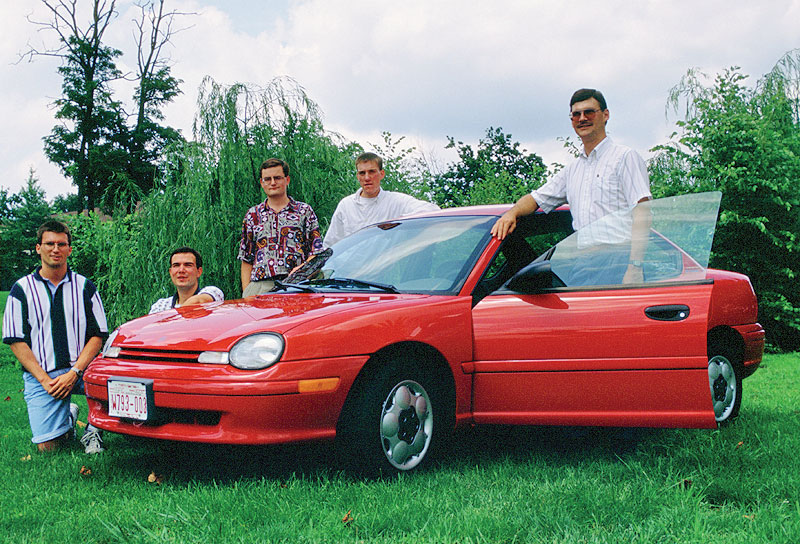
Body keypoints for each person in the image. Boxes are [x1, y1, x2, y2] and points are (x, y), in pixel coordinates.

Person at [491, 88, 652, 284]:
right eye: (576, 114)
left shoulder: (624, 157)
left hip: (618, 259)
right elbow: (535, 199)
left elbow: (642, 212)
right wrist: (512, 213)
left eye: (589, 112)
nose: (582, 118)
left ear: (606, 115)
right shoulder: (572, 170)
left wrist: (635, 266)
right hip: (584, 263)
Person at [2, 220, 108, 453]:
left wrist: (74, 373)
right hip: (44, 375)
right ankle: (69, 417)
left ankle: (93, 427)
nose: (55, 249)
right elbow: (15, 340)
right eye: (49, 243)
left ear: (69, 249)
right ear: (38, 247)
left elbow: (98, 335)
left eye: (62, 244)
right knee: (49, 448)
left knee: (116, 388)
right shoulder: (21, 290)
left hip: (83, 371)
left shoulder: (85, 287)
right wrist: (43, 379)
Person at [238, 158, 325, 296]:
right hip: (261, 286)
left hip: (297, 285)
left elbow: (316, 252)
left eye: (277, 178)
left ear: (287, 180)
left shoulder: (304, 211)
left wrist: (301, 271)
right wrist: (247, 291)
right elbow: (246, 257)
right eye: (267, 179)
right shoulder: (253, 215)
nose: (272, 183)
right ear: (262, 183)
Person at [323, 152, 440, 246]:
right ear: (358, 176)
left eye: (372, 172)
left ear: (382, 174)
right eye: (362, 173)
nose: (367, 178)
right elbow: (331, 244)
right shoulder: (346, 205)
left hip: (382, 271)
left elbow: (432, 210)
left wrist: (399, 222)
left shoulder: (395, 201)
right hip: (347, 272)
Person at [149, 246, 224, 314]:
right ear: (170, 272)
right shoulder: (160, 306)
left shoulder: (213, 292)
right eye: (176, 265)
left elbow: (196, 301)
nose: (181, 270)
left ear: (199, 272)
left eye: (188, 265)